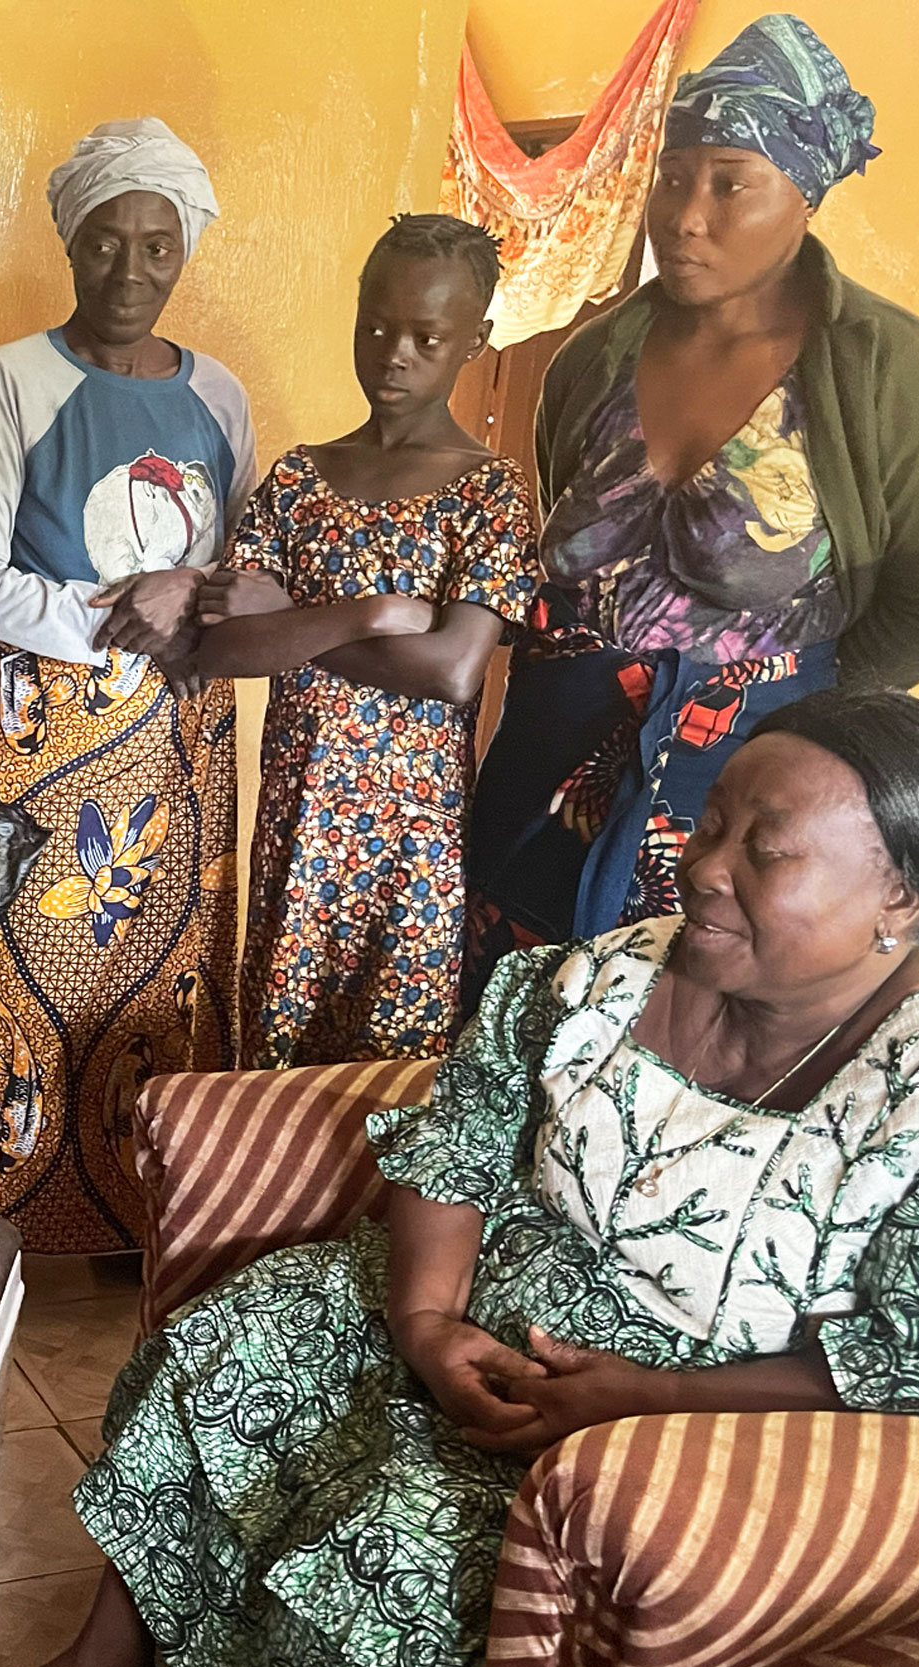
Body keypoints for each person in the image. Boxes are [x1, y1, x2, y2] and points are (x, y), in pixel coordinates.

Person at [16, 689, 919, 1667]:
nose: (704, 868)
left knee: (395, 1557)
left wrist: (646, 1398)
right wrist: (427, 1321)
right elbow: (460, 1151)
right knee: (228, 1342)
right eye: (712, 822)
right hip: (468, 1318)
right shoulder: (604, 979)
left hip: (668, 1421)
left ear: (900, 899)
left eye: (764, 852)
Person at [465, 14, 919, 1003]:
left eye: (729, 182)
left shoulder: (885, 365)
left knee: (689, 1044)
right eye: (671, 176)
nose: (683, 215)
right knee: (512, 1030)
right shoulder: (593, 360)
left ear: (802, 194)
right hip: (547, 774)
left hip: (742, 801)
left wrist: (809, 710)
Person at [0, 117, 253, 1254]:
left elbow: (235, 566)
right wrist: (124, 617)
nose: (131, 272)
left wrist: (190, 589)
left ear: (186, 252)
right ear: (70, 245)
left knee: (163, 979)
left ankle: (147, 1231)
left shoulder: (216, 393)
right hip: (51, 727)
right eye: (106, 244)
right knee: (31, 969)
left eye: (158, 247)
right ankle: (6, 1236)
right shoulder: (14, 378)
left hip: (183, 729)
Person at [196, 215, 537, 1069]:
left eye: (428, 336)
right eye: (377, 326)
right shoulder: (299, 478)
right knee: (275, 1074)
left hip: (413, 847)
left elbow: (454, 669)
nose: (394, 353)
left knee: (391, 1084)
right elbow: (224, 647)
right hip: (297, 824)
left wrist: (293, 618)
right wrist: (366, 614)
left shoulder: (490, 495)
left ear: (474, 342)